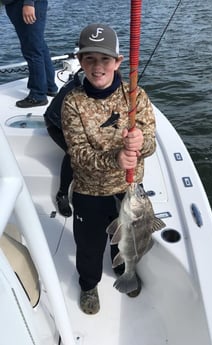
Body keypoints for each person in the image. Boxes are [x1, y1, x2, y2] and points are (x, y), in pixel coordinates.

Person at [61, 23, 156, 315]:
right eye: (89, 58)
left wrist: (142, 143)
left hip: (130, 192)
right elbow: (78, 156)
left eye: (105, 59)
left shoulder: (135, 96)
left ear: (117, 62)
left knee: (128, 241)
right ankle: (89, 284)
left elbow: (151, 144)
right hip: (90, 192)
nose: (97, 66)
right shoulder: (72, 102)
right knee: (88, 246)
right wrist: (116, 159)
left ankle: (125, 271)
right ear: (80, 61)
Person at [3, 0, 58, 107]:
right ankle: (49, 86)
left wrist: (29, 3)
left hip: (24, 4)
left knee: (32, 50)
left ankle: (38, 95)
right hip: (18, 4)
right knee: (38, 45)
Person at [44, 69, 83, 217]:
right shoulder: (76, 94)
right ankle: (62, 194)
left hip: (79, 121)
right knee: (74, 153)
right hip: (56, 124)